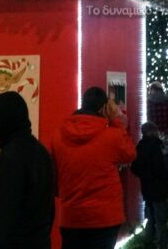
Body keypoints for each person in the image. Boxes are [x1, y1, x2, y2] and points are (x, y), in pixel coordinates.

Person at [51, 86, 137, 249]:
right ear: (104, 109)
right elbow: (130, 154)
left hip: (71, 217)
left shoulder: (58, 135)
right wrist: (116, 122)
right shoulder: (111, 135)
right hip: (105, 217)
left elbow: (54, 175)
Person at [0, 91, 55, 249]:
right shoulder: (41, 152)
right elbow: (50, 208)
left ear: (4, 122)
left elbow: (2, 213)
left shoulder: (10, 158)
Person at [132, 122, 168, 249]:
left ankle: (148, 242)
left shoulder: (140, 146)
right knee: (161, 219)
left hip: (146, 188)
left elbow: (134, 167)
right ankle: (162, 244)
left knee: (150, 217)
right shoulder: (157, 146)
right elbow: (161, 168)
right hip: (159, 188)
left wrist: (144, 175)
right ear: (152, 132)